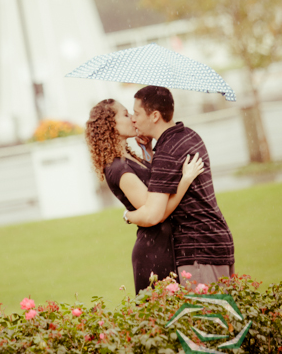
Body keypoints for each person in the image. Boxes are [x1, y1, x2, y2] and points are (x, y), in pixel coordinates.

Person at [85, 99, 204, 294]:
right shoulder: (118, 168)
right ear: (110, 124)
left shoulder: (131, 158)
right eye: (125, 114)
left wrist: (148, 152)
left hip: (167, 245)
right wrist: (186, 180)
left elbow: (153, 185)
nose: (133, 119)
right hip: (155, 253)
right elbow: (156, 213)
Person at [126, 86, 235, 286]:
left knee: (206, 316)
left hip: (199, 251)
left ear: (155, 115)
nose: (133, 119)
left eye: (136, 113)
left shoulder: (167, 151)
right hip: (216, 240)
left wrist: (129, 216)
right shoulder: (187, 135)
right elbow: (166, 179)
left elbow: (154, 215)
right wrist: (149, 154)